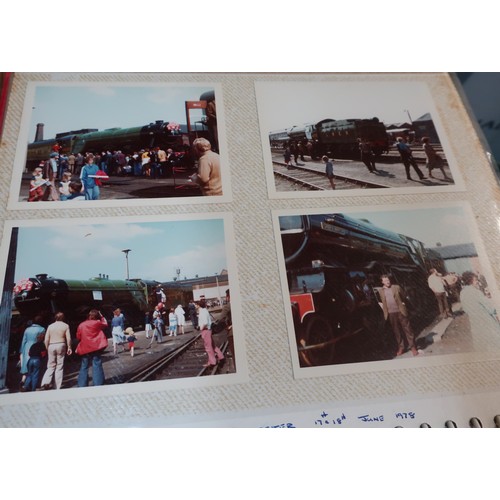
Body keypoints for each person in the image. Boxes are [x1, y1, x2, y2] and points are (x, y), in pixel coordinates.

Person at [379, 275, 419, 356]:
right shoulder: (381, 291)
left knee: (408, 329)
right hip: (391, 313)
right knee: (396, 331)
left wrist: (403, 303)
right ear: (382, 282)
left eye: (388, 280)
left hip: (400, 311)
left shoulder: (396, 287)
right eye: (385, 280)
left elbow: (403, 296)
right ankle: (401, 347)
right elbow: (383, 301)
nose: (388, 281)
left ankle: (413, 347)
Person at [460, 271, 500, 335]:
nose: (477, 282)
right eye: (475, 280)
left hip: (474, 321)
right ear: (470, 281)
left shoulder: (462, 293)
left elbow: (465, 308)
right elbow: (490, 308)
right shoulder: (475, 291)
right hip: (485, 320)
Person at [75, 310, 108, 387]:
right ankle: (98, 383)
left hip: (85, 348)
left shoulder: (81, 324)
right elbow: (105, 324)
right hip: (95, 347)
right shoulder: (97, 323)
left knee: (84, 366)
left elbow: (78, 337)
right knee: (96, 364)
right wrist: (102, 316)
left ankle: (82, 384)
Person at [40, 312, 72, 390]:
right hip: (61, 344)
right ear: (63, 318)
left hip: (51, 345)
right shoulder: (65, 326)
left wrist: (46, 348)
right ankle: (57, 386)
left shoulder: (50, 326)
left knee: (50, 365)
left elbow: (46, 339)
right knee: (59, 366)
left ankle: (46, 381)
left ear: (55, 318)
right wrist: (69, 347)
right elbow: (68, 338)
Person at [19, 317, 46, 389]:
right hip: (37, 347)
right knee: (37, 368)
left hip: (27, 347)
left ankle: (24, 381)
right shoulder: (42, 329)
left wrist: (21, 350)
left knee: (26, 365)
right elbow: (43, 339)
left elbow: (23, 340)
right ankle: (34, 385)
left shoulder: (27, 329)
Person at [198, 299, 224, 367]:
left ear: (199, 305)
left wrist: (201, 328)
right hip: (209, 330)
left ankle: (212, 362)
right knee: (212, 345)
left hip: (205, 330)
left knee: (208, 347)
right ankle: (221, 357)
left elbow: (205, 322)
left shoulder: (202, 312)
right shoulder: (206, 310)